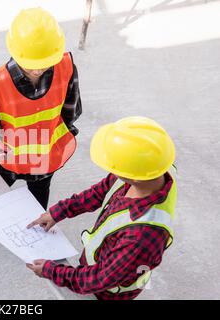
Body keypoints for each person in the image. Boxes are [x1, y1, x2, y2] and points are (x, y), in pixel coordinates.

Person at [0, 7, 82, 254]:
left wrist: (64, 134)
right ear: (16, 52)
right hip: (7, 157)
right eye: (33, 65)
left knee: (39, 200)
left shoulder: (66, 67)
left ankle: (36, 235)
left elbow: (71, 108)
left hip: (44, 157)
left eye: (44, 63)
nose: (39, 70)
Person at [26, 116, 177, 300]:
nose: (112, 170)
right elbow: (99, 192)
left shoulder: (142, 237)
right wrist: (58, 212)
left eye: (116, 166)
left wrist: (52, 271)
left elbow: (98, 279)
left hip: (106, 293)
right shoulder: (155, 170)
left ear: (135, 176)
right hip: (106, 265)